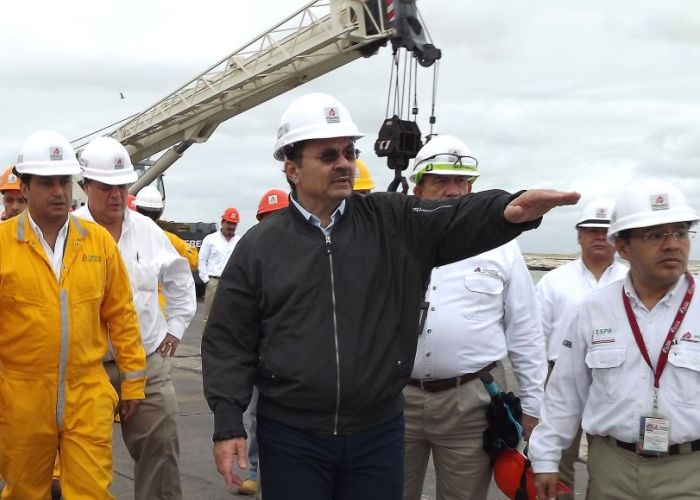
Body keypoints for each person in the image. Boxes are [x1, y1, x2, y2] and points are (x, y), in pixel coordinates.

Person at [201, 92, 579, 500]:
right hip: (292, 435)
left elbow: (451, 218)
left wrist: (507, 211)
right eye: (328, 155)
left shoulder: (391, 221)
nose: (344, 163)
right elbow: (229, 340)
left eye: (349, 151)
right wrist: (228, 423)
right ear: (291, 168)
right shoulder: (260, 247)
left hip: (376, 432)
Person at [530, 178, 700, 500]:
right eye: (654, 235)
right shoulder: (594, 309)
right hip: (612, 467)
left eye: (679, 232)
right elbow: (566, 391)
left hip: (690, 470)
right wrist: (546, 458)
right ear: (622, 247)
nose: (671, 244)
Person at [0, 129, 146, 499]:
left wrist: (132, 383)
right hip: (20, 397)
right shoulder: (3, 245)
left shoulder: (97, 243)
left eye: (64, 181)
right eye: (47, 183)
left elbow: (123, 317)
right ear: (25, 187)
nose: (60, 192)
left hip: (87, 393)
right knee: (24, 492)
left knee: (92, 491)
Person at [402, 135, 547, 500]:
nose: (454, 191)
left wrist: (532, 408)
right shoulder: (392, 238)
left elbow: (525, 330)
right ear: (417, 187)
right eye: (441, 181)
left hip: (470, 402)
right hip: (394, 400)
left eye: (462, 182)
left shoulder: (503, 246)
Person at [74, 136, 196, 500]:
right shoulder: (70, 234)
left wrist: (174, 329)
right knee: (79, 462)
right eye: (106, 186)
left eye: (122, 185)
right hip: (86, 367)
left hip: (146, 362)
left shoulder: (147, 231)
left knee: (160, 452)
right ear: (85, 186)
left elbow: (179, 280)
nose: (116, 194)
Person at [534, 196, 627, 496]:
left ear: (618, 237)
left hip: (616, 378)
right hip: (559, 375)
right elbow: (535, 337)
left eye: (607, 230)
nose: (600, 236)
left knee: (613, 455)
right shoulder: (553, 281)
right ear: (579, 235)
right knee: (559, 457)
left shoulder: (633, 280)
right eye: (592, 230)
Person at [238, 188, 291, 498]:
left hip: (299, 361)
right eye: (266, 219)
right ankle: (256, 471)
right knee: (259, 415)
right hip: (263, 355)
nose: (273, 224)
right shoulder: (253, 259)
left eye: (278, 216)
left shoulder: (309, 254)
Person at [134, 185, 199, 311]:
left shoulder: (122, 235)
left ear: (136, 208)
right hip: (160, 310)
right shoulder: (168, 239)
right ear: (160, 212)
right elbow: (194, 261)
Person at [198, 206, 241, 321]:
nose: (231, 226)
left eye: (234, 224)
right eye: (229, 223)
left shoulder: (240, 241)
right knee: (209, 317)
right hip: (214, 282)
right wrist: (207, 281)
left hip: (233, 283)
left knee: (231, 316)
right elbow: (202, 260)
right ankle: (206, 339)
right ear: (222, 222)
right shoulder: (210, 239)